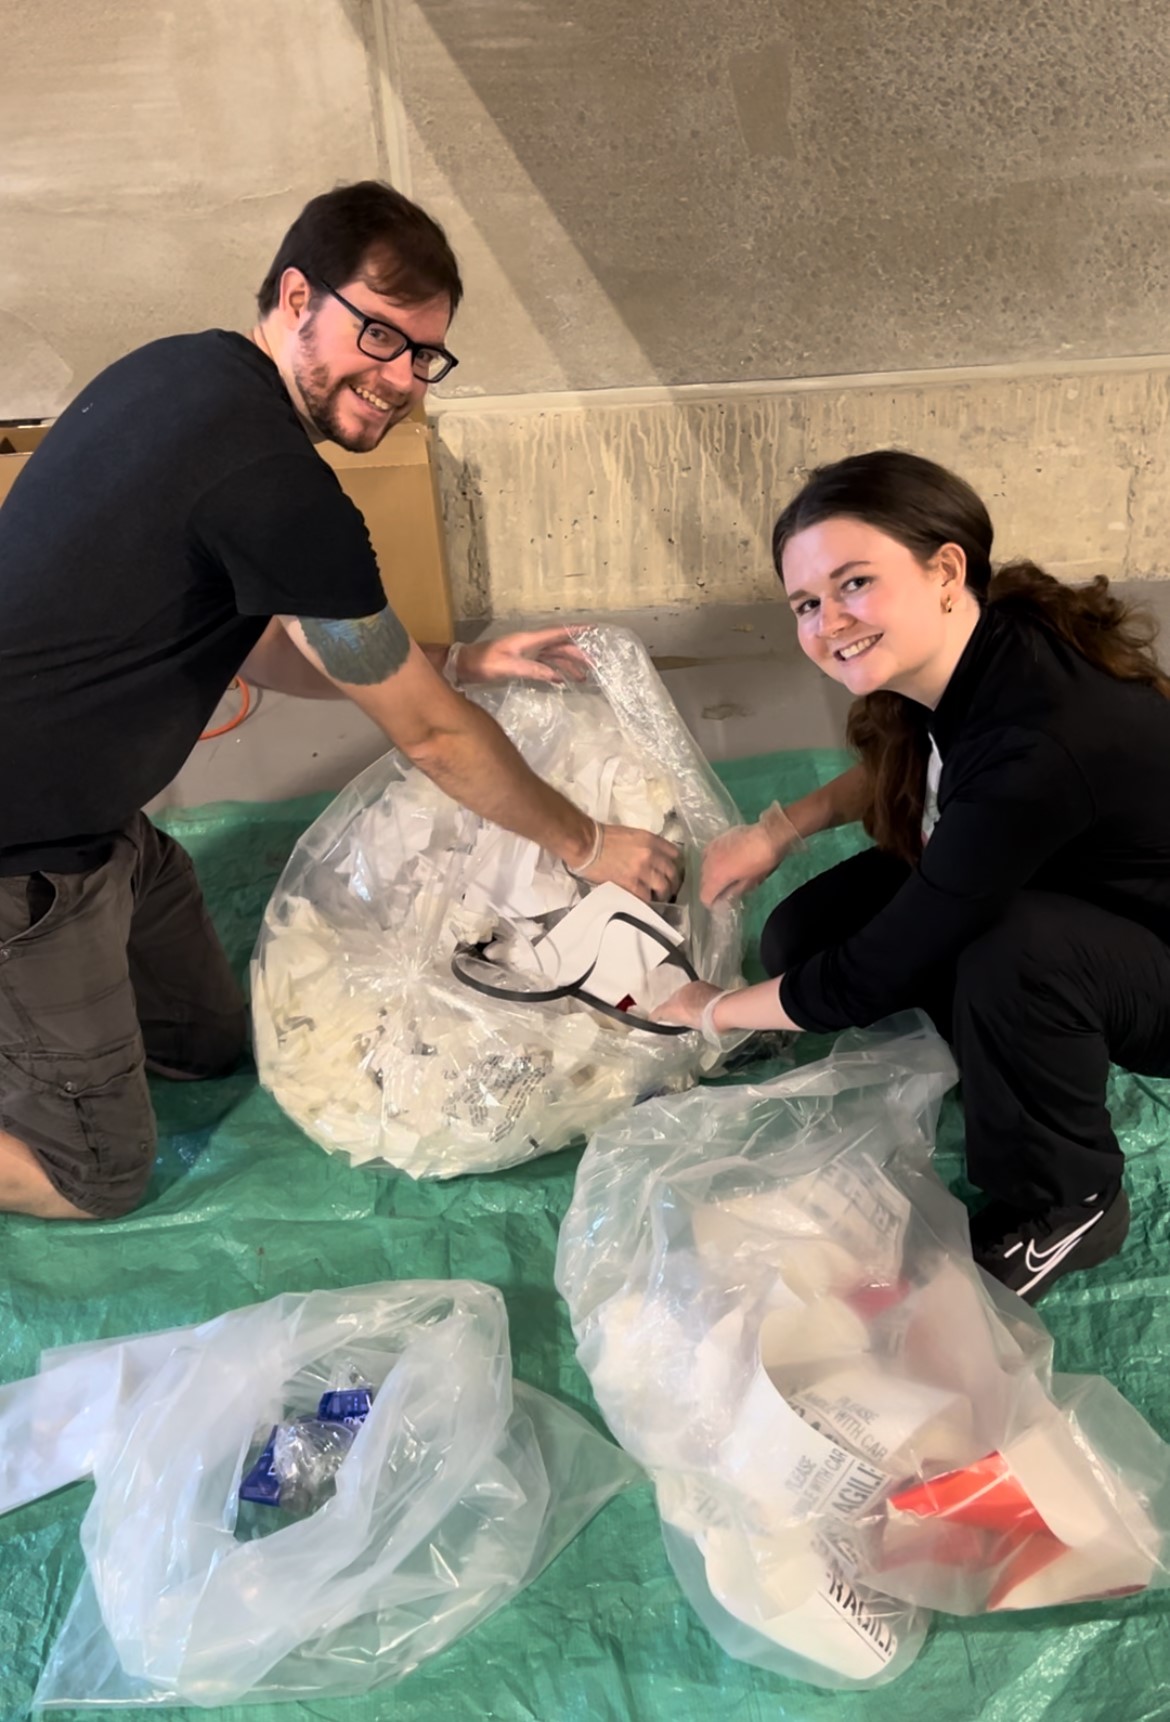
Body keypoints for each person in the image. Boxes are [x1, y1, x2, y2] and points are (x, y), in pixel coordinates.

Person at [0, 180, 678, 1222]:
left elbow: (274, 647)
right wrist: (587, 844)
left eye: (425, 354)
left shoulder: (184, 370)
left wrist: (461, 659)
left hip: (99, 823)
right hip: (25, 855)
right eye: (380, 335)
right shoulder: (274, 484)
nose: (401, 378)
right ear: (296, 297)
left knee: (204, 1045)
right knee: (93, 1178)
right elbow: (433, 739)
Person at [655, 448, 1170, 1303]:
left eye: (855, 583)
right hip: (1055, 872)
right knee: (803, 937)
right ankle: (1000, 1046)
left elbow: (867, 976)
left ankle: (1071, 1200)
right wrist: (777, 831)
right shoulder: (981, 635)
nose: (830, 622)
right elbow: (915, 752)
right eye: (807, 603)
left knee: (1014, 953)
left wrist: (710, 1011)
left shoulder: (1039, 743)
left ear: (945, 570)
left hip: (1149, 954)